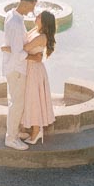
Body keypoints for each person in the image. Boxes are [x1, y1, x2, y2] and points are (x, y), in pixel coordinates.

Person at [1, 0, 41, 151]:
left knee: (16, 102)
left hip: (11, 66)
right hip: (16, 69)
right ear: (25, 4)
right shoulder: (16, 24)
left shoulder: (11, 14)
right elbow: (18, 54)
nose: (33, 11)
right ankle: (11, 138)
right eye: (32, 7)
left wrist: (6, 48)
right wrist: (34, 56)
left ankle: (16, 132)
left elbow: (11, 44)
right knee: (16, 104)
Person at [20, 11, 57, 145]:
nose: (36, 17)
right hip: (30, 68)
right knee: (29, 99)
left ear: (45, 21)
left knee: (34, 99)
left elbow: (24, 48)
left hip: (35, 70)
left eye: (39, 16)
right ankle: (30, 129)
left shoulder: (42, 37)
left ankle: (36, 131)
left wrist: (9, 48)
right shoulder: (36, 30)